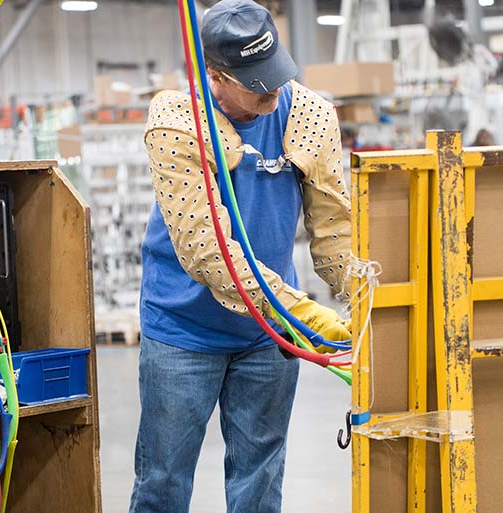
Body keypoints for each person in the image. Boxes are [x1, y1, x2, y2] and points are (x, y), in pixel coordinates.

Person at [129, 1, 352, 512]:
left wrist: (360, 302)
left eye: (276, 76)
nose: (272, 95)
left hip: (267, 339)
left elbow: (336, 229)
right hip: (183, 331)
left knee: (260, 479)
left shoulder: (311, 116)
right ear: (215, 77)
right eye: (256, 85)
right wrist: (304, 312)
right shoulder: (177, 123)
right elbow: (211, 253)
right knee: (162, 483)